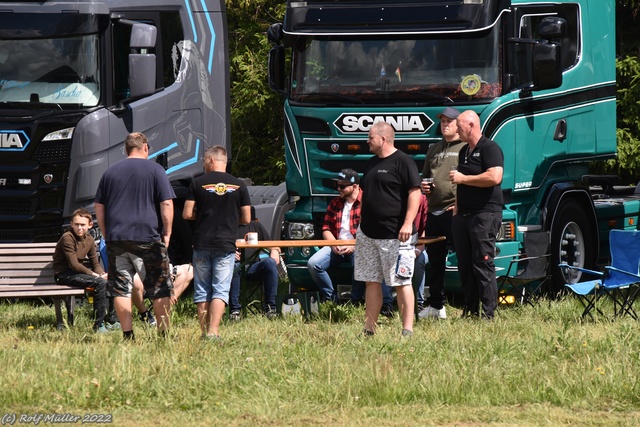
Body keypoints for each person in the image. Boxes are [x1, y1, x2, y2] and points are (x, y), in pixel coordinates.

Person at [95, 132, 175, 340]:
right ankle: (163, 335)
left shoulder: (110, 172)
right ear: (145, 147)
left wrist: (106, 233)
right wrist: (167, 233)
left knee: (121, 288)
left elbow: (99, 207)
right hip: (147, 236)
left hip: (117, 238)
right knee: (159, 287)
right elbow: (166, 203)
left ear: (126, 149)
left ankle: (128, 334)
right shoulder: (156, 170)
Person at [355, 121, 422, 337]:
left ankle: (407, 329)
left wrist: (407, 223)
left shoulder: (404, 162)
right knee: (371, 281)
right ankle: (369, 329)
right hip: (368, 234)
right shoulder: (371, 163)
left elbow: (415, 194)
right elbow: (366, 194)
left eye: (370, 138)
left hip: (395, 235)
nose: (367, 141)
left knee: (402, 282)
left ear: (383, 139)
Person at [183, 145, 251, 341]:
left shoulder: (197, 183)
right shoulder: (239, 185)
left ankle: (204, 333)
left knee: (203, 288)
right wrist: (230, 218)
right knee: (221, 289)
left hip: (202, 242)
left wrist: (204, 215)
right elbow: (246, 218)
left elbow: (187, 213)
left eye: (205, 160)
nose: (204, 164)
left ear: (212, 161)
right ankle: (213, 332)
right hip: (225, 244)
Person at [450, 110, 504, 320]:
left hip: (485, 214)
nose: (456, 130)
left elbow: (495, 177)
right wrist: (456, 207)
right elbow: (460, 182)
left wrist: (464, 179)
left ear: (471, 125)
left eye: (459, 126)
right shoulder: (464, 150)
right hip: (463, 215)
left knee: (482, 262)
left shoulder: (490, 148)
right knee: (465, 264)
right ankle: (470, 310)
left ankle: (489, 314)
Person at [419, 106, 465, 319]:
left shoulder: (465, 147)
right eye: (443, 121)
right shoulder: (434, 148)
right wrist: (424, 187)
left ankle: (471, 303)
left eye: (449, 121)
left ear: (458, 125)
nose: (445, 125)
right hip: (434, 211)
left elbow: (471, 179)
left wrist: (459, 204)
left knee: (466, 258)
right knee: (435, 261)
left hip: (454, 211)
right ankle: (437, 306)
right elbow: (425, 177)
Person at [52, 209, 116, 333]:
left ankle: (113, 321)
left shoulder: (90, 239)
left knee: (111, 280)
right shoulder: (67, 238)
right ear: (71, 224)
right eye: (76, 224)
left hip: (79, 274)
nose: (79, 228)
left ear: (90, 225)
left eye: (82, 225)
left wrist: (102, 274)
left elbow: (95, 263)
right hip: (64, 274)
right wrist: (96, 276)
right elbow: (74, 265)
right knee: (100, 283)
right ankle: (99, 325)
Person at [307, 168, 365, 304]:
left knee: (360, 263)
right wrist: (334, 244)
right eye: (336, 185)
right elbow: (326, 228)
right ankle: (332, 300)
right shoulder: (335, 203)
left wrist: (353, 246)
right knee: (313, 264)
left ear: (355, 186)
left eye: (342, 186)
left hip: (358, 245)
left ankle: (355, 301)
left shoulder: (367, 202)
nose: (338, 189)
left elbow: (371, 231)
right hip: (337, 244)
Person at [229, 206, 280, 320]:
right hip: (234, 268)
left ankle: (270, 309)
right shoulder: (228, 227)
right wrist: (228, 254)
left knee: (269, 263)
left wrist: (275, 250)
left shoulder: (255, 226)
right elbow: (217, 248)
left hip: (253, 267)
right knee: (234, 266)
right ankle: (235, 311)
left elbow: (273, 244)